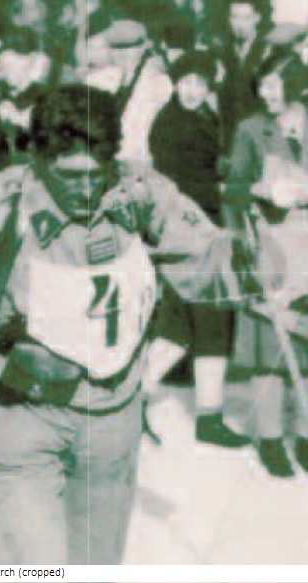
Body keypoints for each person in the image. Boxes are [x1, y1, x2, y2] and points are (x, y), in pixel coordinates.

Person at [0, 85, 272, 564]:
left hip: (111, 416)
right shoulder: (5, 197)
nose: (85, 189)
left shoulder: (138, 192)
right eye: (69, 175)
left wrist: (251, 255)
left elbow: (204, 256)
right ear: (40, 158)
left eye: (95, 173)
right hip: (22, 413)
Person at [144, 51, 249, 448]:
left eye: (200, 84)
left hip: (194, 236)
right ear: (175, 83)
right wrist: (230, 188)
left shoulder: (199, 117)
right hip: (191, 236)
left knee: (180, 324)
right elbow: (180, 184)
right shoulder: (171, 124)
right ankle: (209, 418)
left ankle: (129, 400)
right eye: (186, 82)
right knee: (209, 320)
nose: (192, 90)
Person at [225, 55, 308, 477]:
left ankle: (306, 435)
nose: (267, 93)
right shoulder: (251, 129)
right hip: (272, 249)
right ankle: (271, 438)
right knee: (268, 348)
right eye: (264, 85)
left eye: (276, 85)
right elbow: (232, 188)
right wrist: (260, 189)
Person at [214, 0, 273, 153]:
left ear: (257, 18)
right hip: (231, 139)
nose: (239, 25)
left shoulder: (269, 51)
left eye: (246, 18)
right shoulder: (223, 52)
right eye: (234, 17)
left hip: (261, 138)